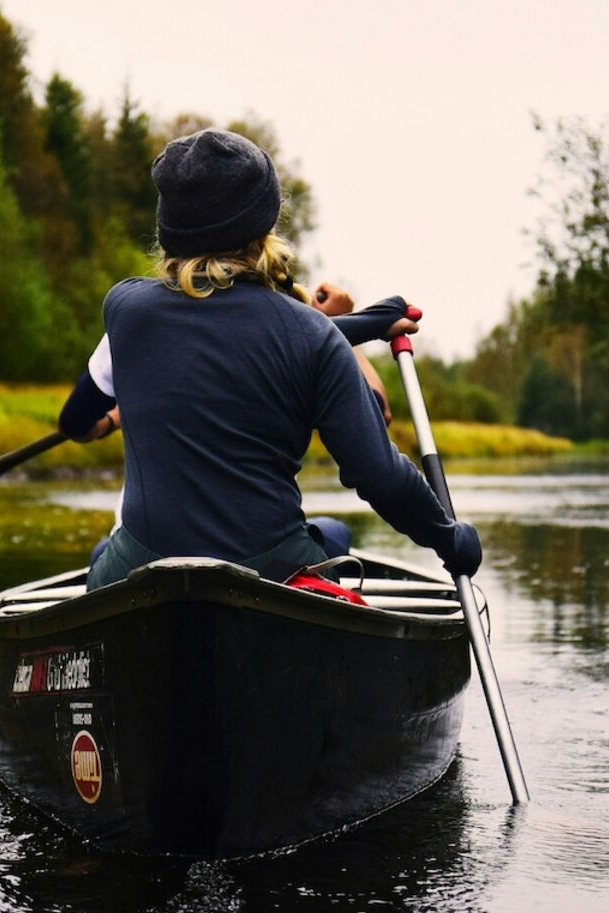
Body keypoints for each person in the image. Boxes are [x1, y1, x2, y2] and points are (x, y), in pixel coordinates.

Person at [56, 128, 479, 590]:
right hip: (271, 571)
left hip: (141, 565)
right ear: (264, 227)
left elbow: (247, 335)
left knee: (103, 554)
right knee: (335, 534)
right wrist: (450, 539)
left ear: (168, 228)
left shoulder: (126, 310)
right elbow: (380, 478)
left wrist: (371, 322)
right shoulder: (311, 336)